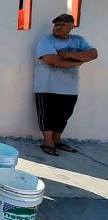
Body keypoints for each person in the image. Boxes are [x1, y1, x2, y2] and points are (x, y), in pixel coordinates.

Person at [34, 14, 98, 156]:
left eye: (62, 25)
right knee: (47, 116)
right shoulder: (46, 41)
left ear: (71, 26)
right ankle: (48, 142)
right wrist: (78, 60)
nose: (58, 28)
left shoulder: (79, 40)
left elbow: (93, 54)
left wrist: (68, 54)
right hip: (47, 86)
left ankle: (57, 140)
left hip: (70, 88)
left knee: (64, 115)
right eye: (56, 25)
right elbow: (51, 60)